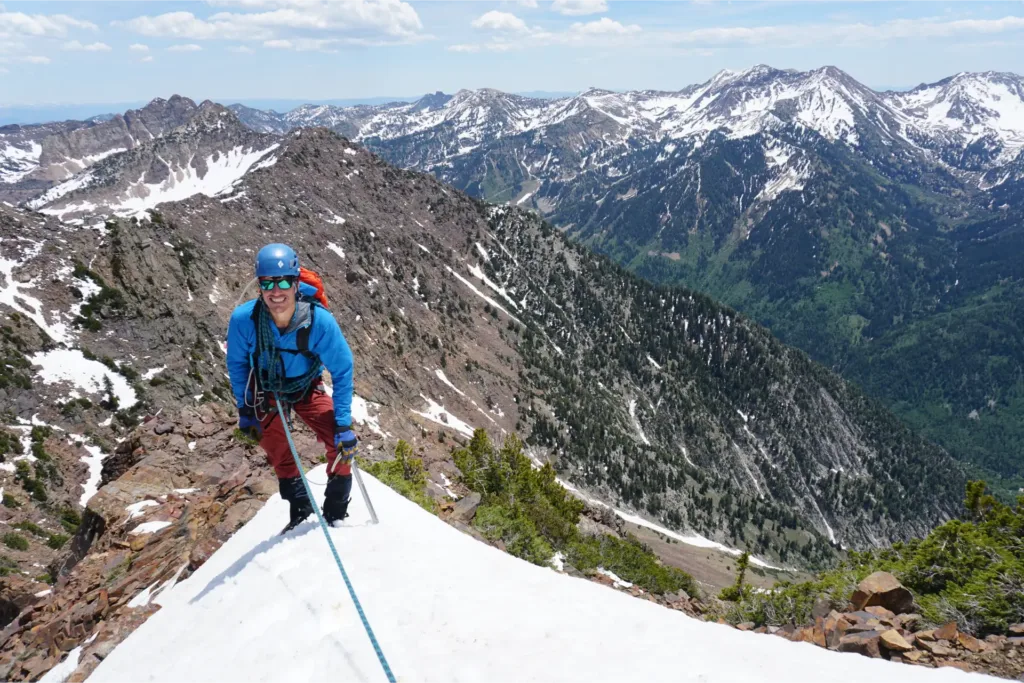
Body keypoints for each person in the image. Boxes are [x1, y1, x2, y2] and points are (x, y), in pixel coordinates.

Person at [226, 243, 358, 531]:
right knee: (272, 440)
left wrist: (344, 423)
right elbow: (238, 365)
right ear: (258, 285)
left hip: (306, 386)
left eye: (284, 281)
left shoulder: (318, 321)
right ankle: (300, 506)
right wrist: (245, 408)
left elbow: (343, 371)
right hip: (267, 389)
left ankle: (335, 509)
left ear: (296, 283)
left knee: (341, 443)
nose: (276, 291)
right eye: (268, 283)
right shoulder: (243, 320)